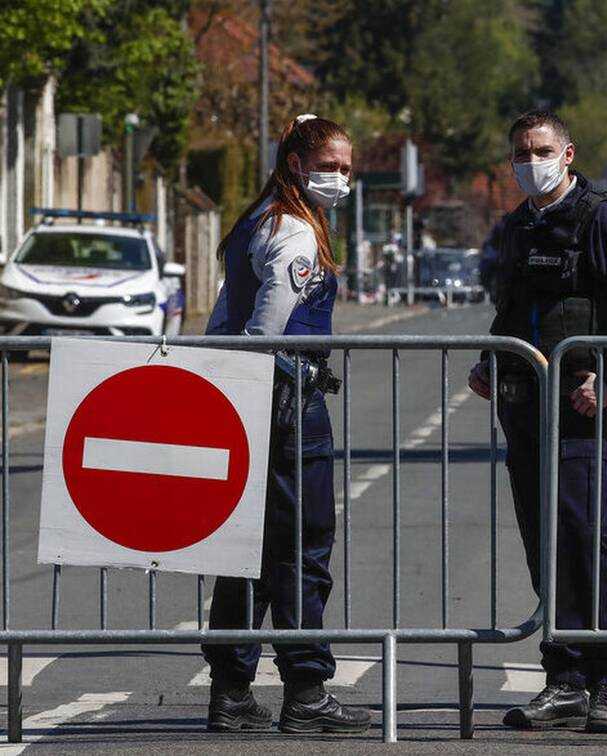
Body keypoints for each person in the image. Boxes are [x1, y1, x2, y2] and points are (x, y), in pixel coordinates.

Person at [467, 110, 607, 734]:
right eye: (521, 153)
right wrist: (491, 362)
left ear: (568, 154)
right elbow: (512, 313)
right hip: (523, 411)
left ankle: (605, 682)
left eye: (541, 150)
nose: (531, 162)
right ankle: (564, 679)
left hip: (578, 414)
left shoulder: (603, 221)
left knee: (582, 540)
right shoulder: (515, 229)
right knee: (544, 545)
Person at [201, 114, 370, 735]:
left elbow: (223, 316)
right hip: (288, 404)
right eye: (328, 166)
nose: (340, 178)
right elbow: (262, 331)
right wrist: (250, 378)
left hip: (252, 402)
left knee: (247, 550)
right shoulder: (295, 230)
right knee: (303, 547)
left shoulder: (260, 218)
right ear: (296, 164)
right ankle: (306, 690)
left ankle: (231, 691)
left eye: (346, 167)